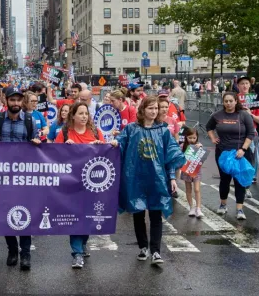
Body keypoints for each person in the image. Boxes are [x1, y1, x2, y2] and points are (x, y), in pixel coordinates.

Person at [111, 96, 185, 265]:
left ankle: (156, 251)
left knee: (155, 214)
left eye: (156, 108)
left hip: (156, 179)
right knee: (138, 213)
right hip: (135, 177)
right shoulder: (131, 129)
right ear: (142, 110)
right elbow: (120, 144)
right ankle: (143, 247)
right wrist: (115, 142)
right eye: (150, 108)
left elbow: (170, 156)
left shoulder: (164, 131)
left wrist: (172, 177)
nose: (154, 111)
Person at [0, 86, 41, 271]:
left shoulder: (30, 121)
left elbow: (38, 144)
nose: (16, 103)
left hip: (24, 178)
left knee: (25, 213)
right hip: (2, 177)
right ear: (6, 101)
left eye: (18, 100)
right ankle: (12, 250)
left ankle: (26, 253)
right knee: (5, 213)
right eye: (12, 100)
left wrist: (37, 142)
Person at [54, 102, 105, 269]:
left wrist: (103, 146)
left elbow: (106, 154)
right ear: (73, 116)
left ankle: (83, 242)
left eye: (86, 113)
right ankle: (76, 253)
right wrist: (64, 147)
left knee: (88, 216)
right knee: (76, 217)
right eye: (81, 113)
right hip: (72, 184)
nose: (84, 116)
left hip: (92, 184)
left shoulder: (95, 132)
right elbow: (53, 154)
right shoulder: (65, 132)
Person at [206, 92, 255, 219]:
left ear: (236, 101)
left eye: (231, 101)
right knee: (225, 179)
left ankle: (240, 209)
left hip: (241, 152)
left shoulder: (244, 115)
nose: (228, 103)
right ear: (223, 102)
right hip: (223, 152)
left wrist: (243, 148)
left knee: (239, 180)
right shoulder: (217, 115)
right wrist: (213, 138)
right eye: (226, 101)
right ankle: (223, 204)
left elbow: (251, 134)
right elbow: (208, 127)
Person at [236, 76, 259, 191]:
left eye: (247, 83)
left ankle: (250, 180)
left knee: (253, 157)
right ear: (238, 86)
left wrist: (250, 115)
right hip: (237, 132)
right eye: (242, 83)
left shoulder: (255, 98)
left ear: (250, 85)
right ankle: (241, 182)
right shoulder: (234, 98)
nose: (245, 86)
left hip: (252, 133)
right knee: (239, 157)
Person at [181, 127, 204, 218]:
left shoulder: (199, 145)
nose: (192, 140)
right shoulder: (183, 146)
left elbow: (202, 157)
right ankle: (191, 208)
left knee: (197, 189)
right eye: (190, 138)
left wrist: (200, 148)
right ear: (186, 137)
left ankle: (198, 208)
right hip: (186, 170)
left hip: (196, 170)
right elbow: (180, 157)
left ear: (197, 137)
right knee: (188, 189)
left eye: (194, 138)